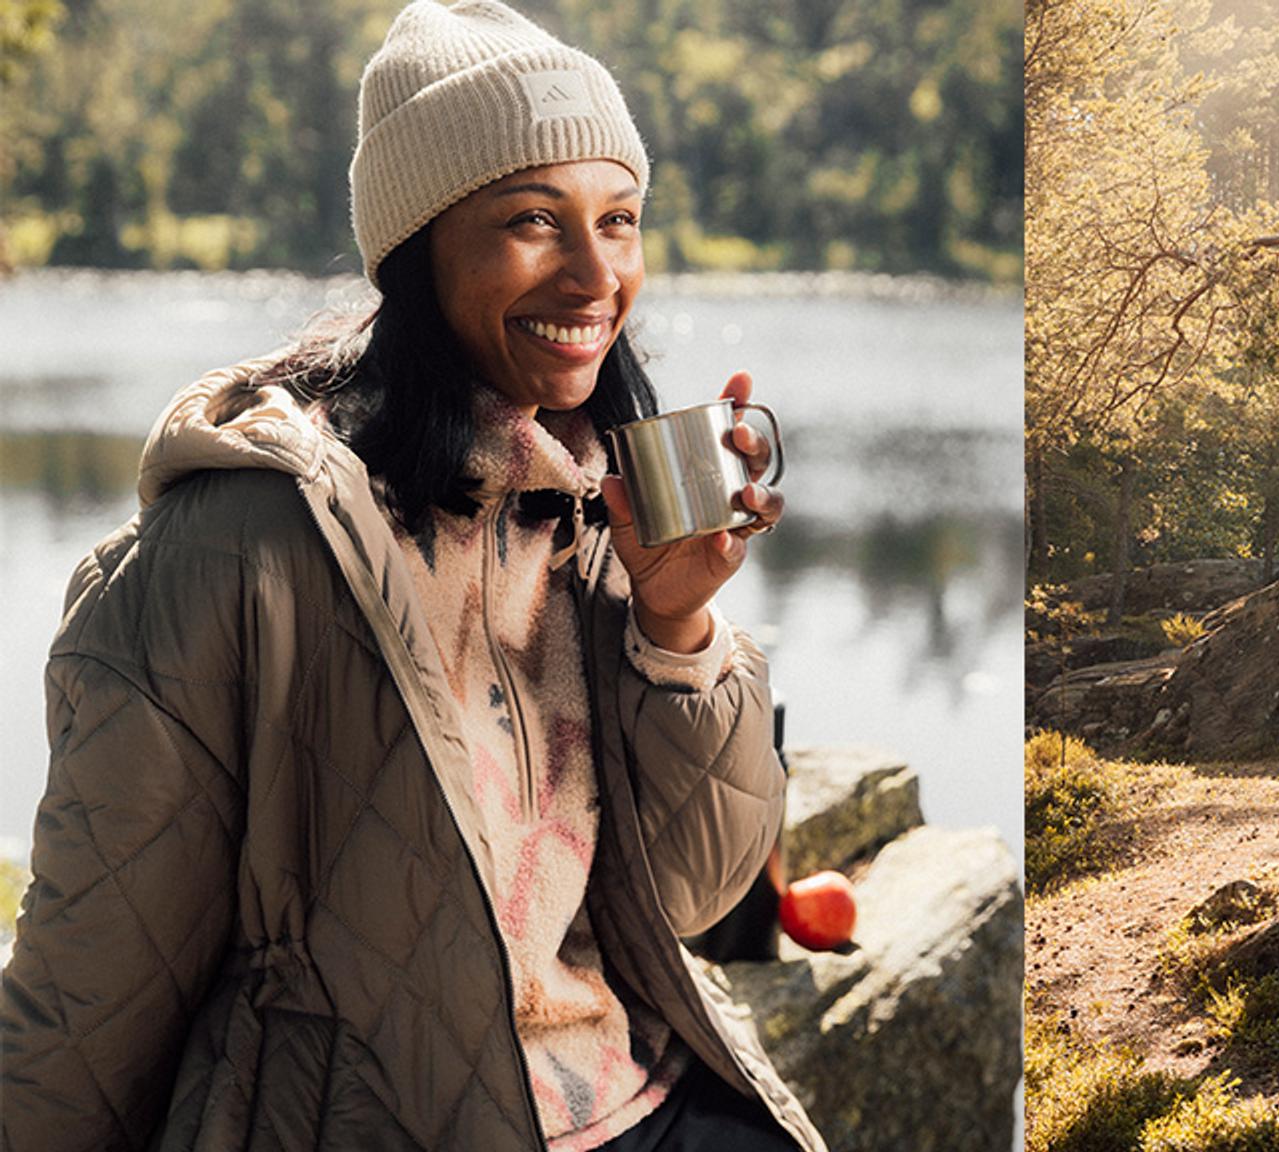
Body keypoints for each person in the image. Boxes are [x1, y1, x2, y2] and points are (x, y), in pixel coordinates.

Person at [0, 3, 826, 1150]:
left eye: (620, 220)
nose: (596, 274)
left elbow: (691, 896)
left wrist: (678, 626)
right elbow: (93, 975)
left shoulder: (592, 509)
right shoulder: (242, 542)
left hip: (631, 1102)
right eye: (534, 222)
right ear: (418, 248)